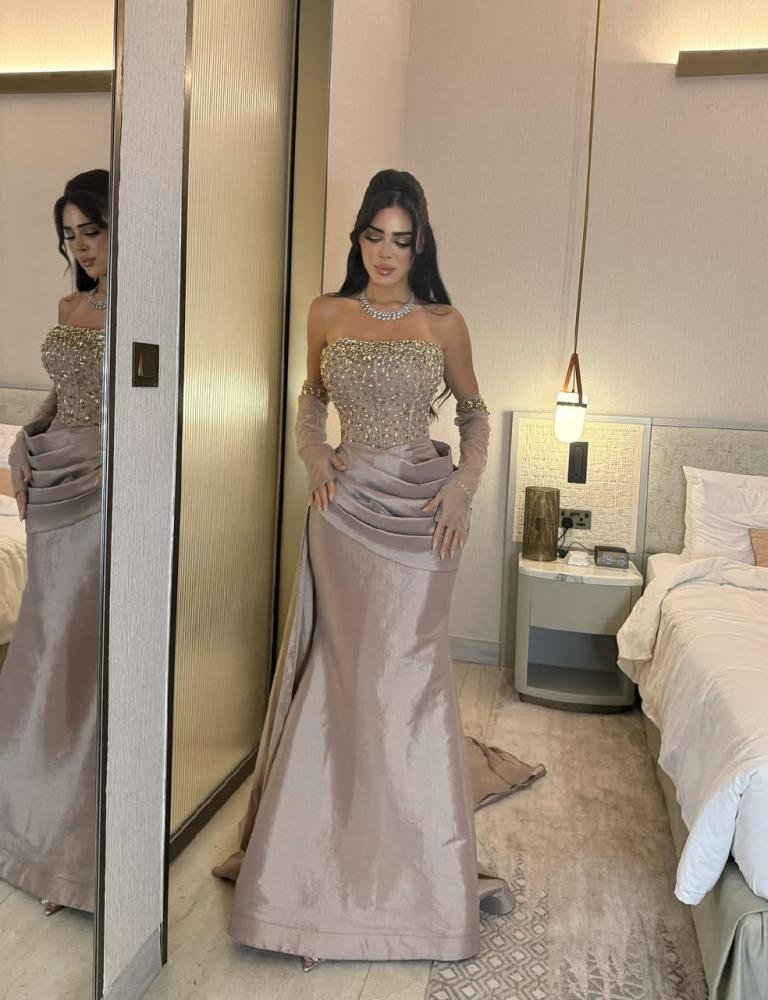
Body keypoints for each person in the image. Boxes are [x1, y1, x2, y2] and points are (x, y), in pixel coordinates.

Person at [213, 169, 544, 969]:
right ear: (357, 236)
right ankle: (314, 870)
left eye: (401, 239)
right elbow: (309, 397)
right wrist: (313, 453)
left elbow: (476, 416)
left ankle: (416, 874)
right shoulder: (326, 312)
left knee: (410, 682)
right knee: (343, 677)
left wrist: (463, 490)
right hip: (343, 510)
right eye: (374, 235)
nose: (386, 252)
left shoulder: (443, 322)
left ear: (419, 244)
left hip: (425, 517)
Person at [0, 169, 108, 914]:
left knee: (77, 640)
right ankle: (23, 805)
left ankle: (71, 832)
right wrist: (25, 436)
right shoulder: (71, 305)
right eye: (70, 236)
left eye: (91, 230)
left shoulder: (144, 309)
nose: (81, 247)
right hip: (51, 477)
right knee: (41, 638)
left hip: (102, 483)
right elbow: (63, 393)